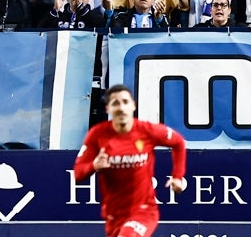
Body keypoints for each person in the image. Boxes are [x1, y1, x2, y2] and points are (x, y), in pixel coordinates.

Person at [73, 85, 187, 237]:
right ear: (108, 109)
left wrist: (177, 176)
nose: (121, 107)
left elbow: (178, 142)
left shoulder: (147, 130)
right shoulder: (97, 135)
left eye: (125, 102)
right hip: (114, 215)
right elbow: (78, 173)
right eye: (115, 103)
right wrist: (94, 166)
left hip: (144, 211)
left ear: (133, 105)